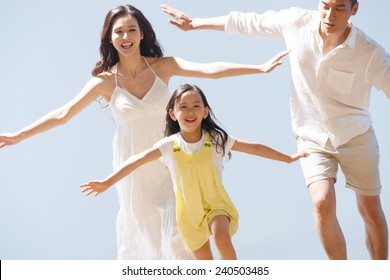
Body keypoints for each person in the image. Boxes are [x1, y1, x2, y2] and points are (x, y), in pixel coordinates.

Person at [0, 4, 289, 260]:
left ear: (142, 34)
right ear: (110, 38)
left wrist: (259, 68)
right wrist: (19, 135)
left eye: (131, 30)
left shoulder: (163, 67)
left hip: (173, 160)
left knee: (181, 231)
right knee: (145, 237)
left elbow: (210, 70)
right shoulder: (104, 82)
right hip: (133, 166)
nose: (125, 37)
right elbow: (63, 114)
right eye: (118, 32)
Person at [161, 0, 389, 260]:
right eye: (325, 6)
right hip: (311, 137)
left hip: (355, 135)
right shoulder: (296, 23)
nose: (329, 15)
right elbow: (248, 22)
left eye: (339, 8)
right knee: (322, 202)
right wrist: (196, 24)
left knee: (370, 209)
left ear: (354, 9)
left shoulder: (369, 52)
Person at [80, 83, 308, 260]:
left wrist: (286, 158)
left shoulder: (216, 139)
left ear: (206, 111)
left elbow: (254, 147)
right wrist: (107, 182)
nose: (190, 111)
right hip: (188, 216)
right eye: (183, 107)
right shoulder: (169, 145)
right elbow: (136, 161)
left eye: (196, 106)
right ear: (172, 113)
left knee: (221, 236)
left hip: (216, 204)